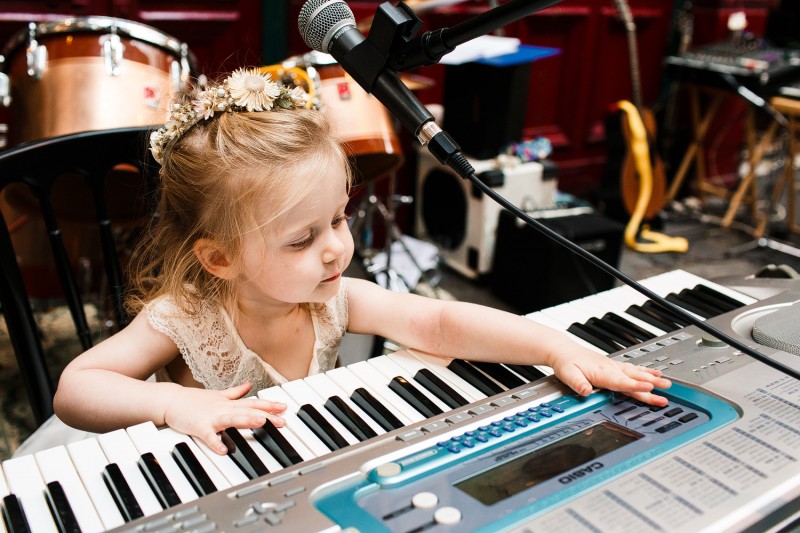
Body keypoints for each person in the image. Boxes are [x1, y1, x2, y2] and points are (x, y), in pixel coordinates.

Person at [48, 67, 670, 456]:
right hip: (201, 477)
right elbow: (75, 390)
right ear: (219, 259)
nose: (337, 248)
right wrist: (173, 406)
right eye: (302, 238)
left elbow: (437, 323)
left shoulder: (333, 295)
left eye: (340, 218)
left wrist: (557, 348)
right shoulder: (182, 317)